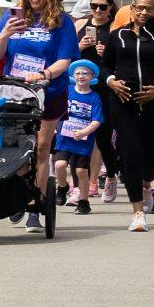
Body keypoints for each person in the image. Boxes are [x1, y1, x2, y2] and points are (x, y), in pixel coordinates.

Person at [0, 0, 79, 231]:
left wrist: (44, 74)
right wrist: (5, 34)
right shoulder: (11, 16)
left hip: (48, 91)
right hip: (15, 91)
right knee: (16, 146)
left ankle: (35, 205)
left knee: (41, 147)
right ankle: (17, 197)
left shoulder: (63, 22)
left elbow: (65, 60)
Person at [103, 0, 154, 233]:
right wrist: (111, 82)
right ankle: (138, 213)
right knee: (131, 151)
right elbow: (105, 67)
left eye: (148, 9)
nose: (143, 12)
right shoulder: (117, 36)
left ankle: (145, 183)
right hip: (123, 102)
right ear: (131, 9)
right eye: (139, 8)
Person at [76, 0, 119, 203]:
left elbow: (123, 61)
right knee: (76, 135)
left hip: (104, 89)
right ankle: (80, 185)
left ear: (110, 7)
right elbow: (68, 56)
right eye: (94, 6)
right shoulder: (80, 25)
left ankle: (110, 174)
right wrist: (80, 47)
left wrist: (107, 53)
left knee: (102, 139)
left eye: (103, 7)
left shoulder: (115, 28)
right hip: (81, 88)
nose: (98, 11)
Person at [52, 60, 104, 215]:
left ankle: (84, 201)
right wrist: (53, 126)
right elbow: (56, 109)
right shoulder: (67, 91)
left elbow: (97, 121)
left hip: (83, 141)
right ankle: (62, 188)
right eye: (78, 73)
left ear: (92, 76)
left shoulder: (94, 97)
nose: (81, 76)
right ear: (73, 75)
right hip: (64, 138)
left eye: (85, 73)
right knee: (59, 165)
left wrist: (84, 132)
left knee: (81, 171)